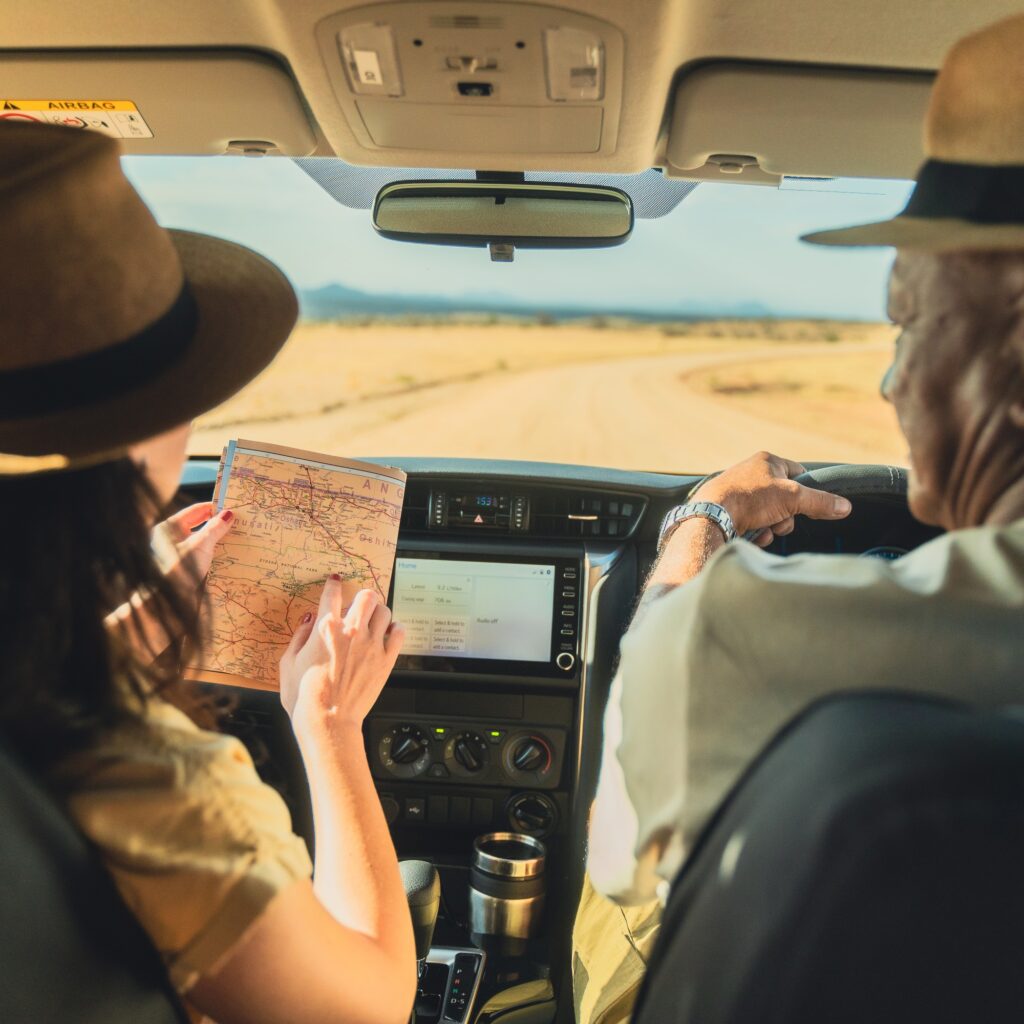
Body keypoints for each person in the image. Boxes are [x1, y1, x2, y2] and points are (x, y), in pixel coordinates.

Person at [573, 12, 1024, 1024]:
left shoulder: (735, 637)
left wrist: (697, 526)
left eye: (909, 321)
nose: (889, 378)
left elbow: (618, 849)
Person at [0, 123, 415, 1024]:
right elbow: (373, 1002)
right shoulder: (145, 781)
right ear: (126, 445)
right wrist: (332, 726)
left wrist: (111, 656)